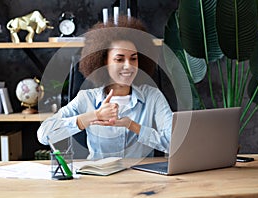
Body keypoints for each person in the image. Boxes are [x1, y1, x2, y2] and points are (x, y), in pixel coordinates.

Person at [37, 16, 173, 159]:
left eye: (133, 58)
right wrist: (93, 116)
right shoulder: (86, 99)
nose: (128, 66)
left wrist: (133, 126)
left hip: (142, 177)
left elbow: (173, 143)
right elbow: (44, 135)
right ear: (104, 62)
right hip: (100, 178)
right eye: (119, 59)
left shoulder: (152, 96)